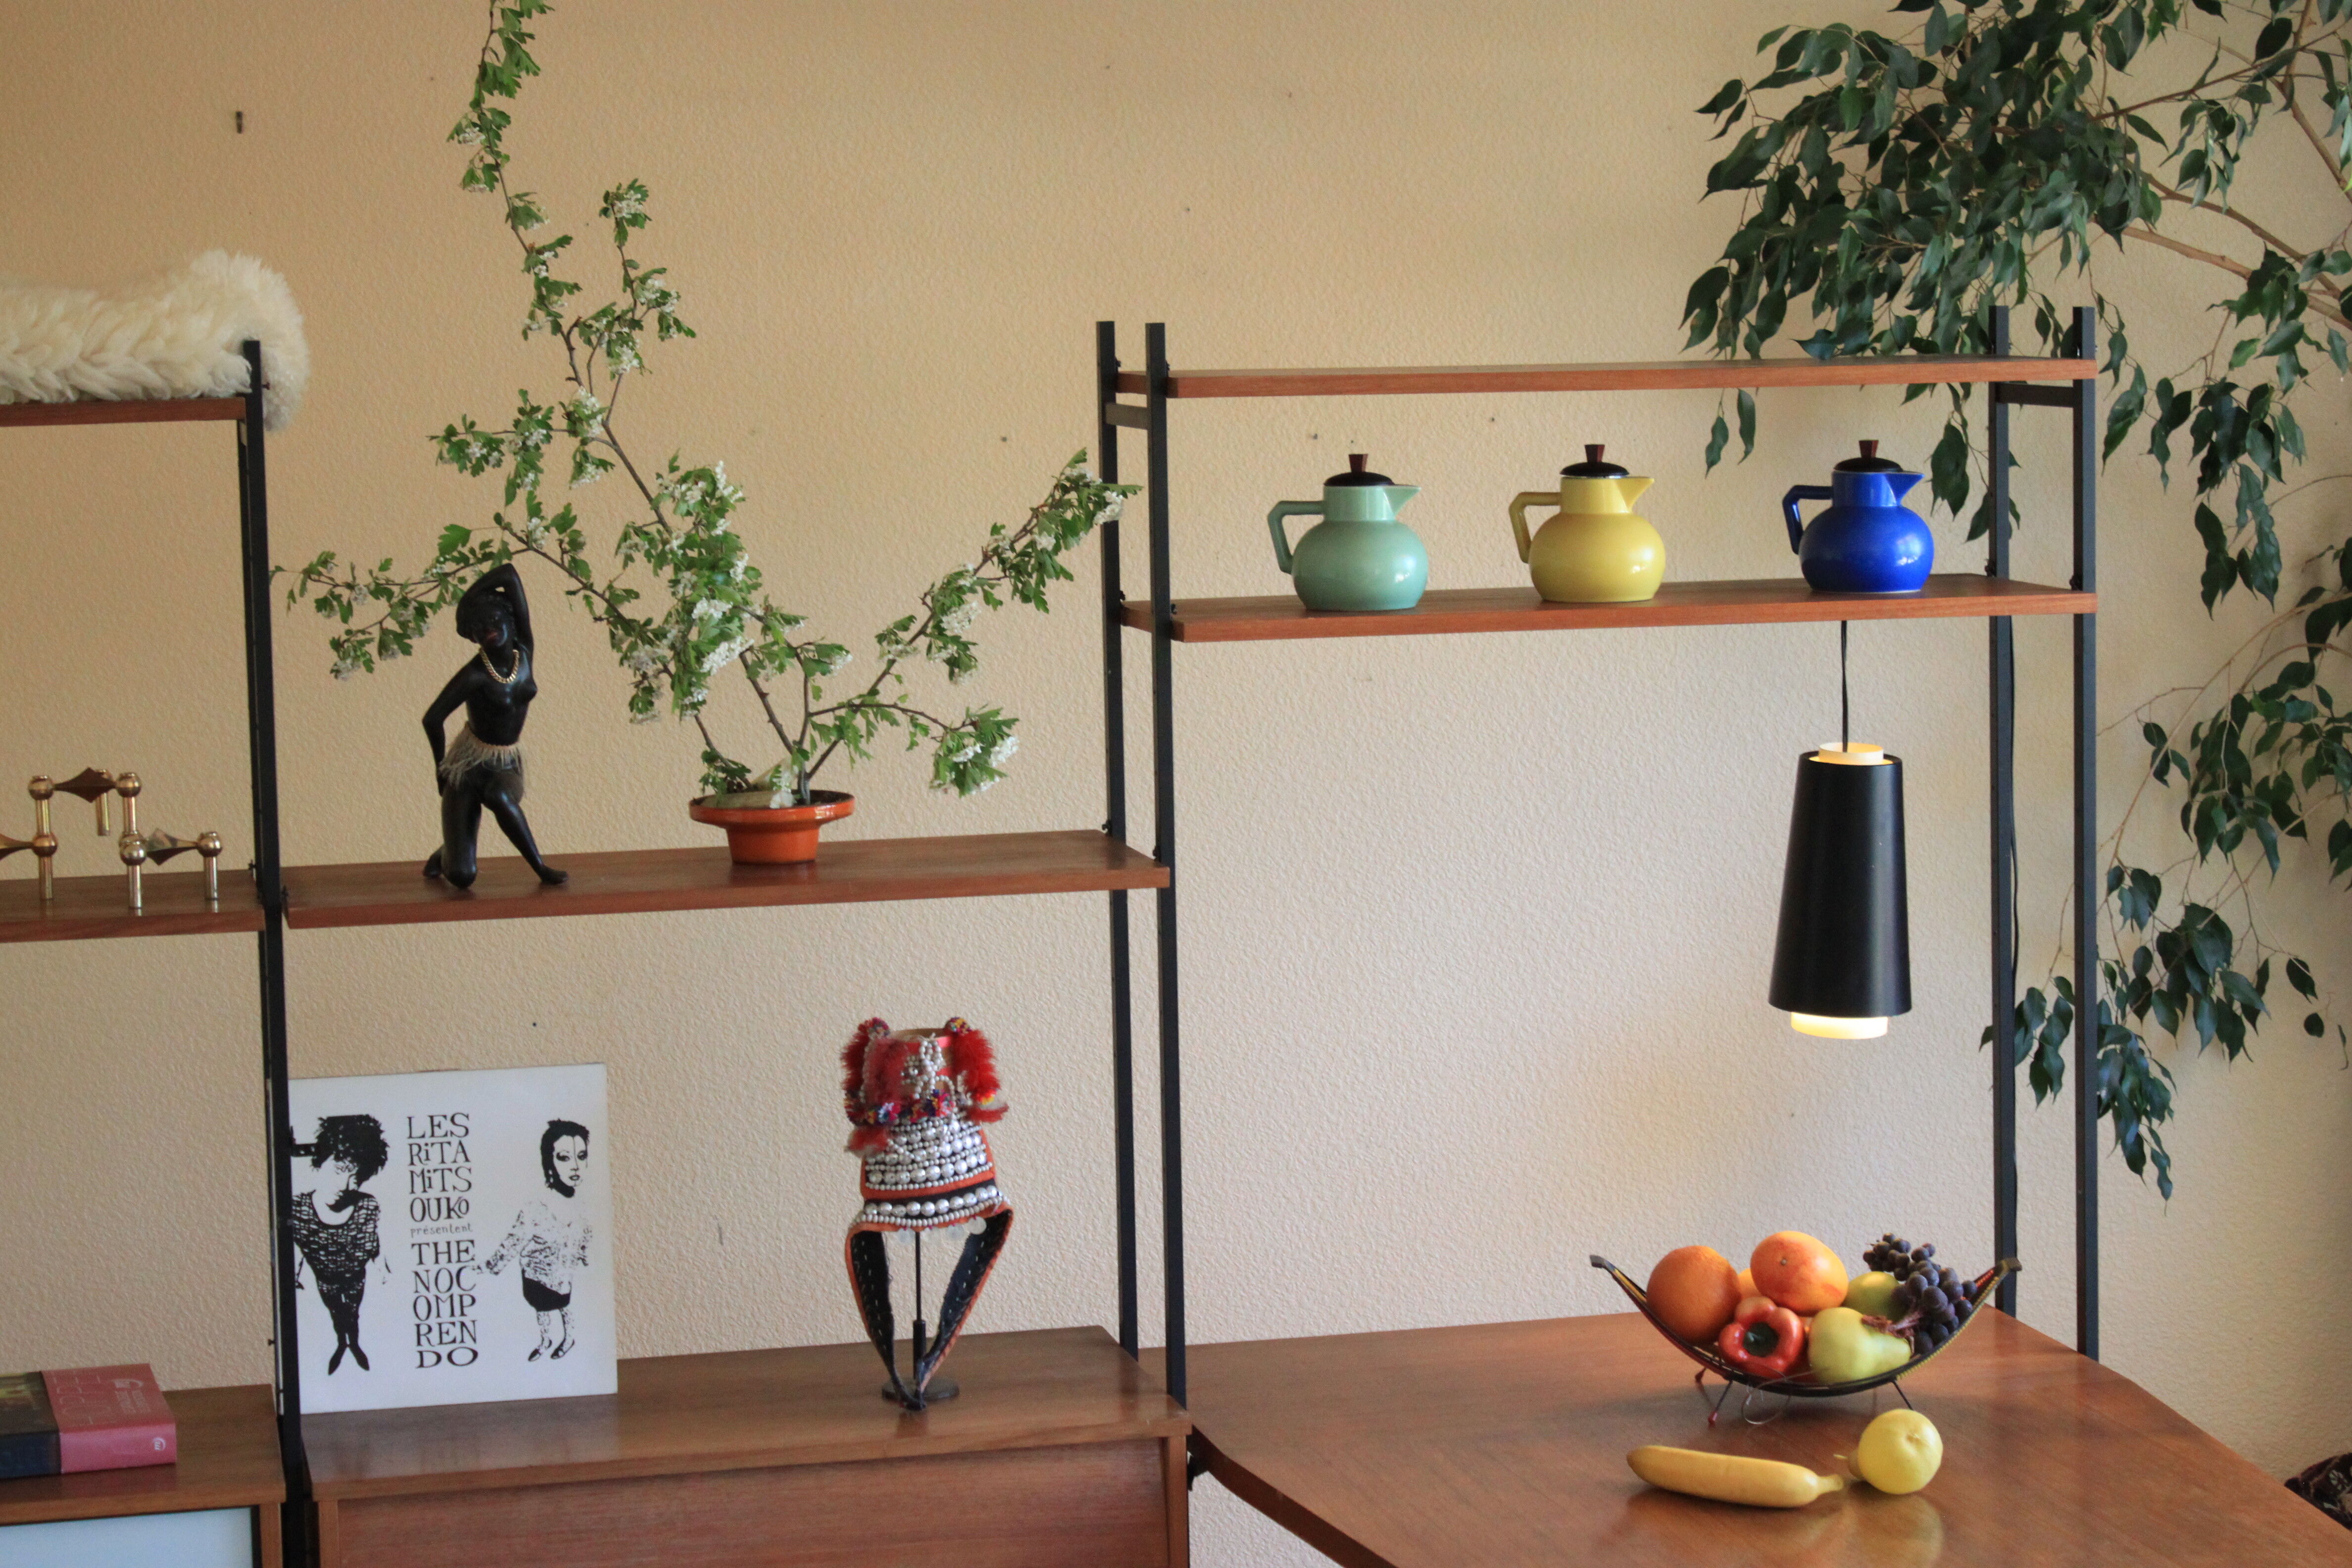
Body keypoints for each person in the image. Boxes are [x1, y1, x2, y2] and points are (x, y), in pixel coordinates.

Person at [422, 562, 566, 889]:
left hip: (506, 761)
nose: (488, 629)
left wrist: (467, 603)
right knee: (462, 876)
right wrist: (441, 767)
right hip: (467, 765)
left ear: (510, 620)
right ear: (472, 636)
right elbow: (433, 718)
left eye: (494, 620)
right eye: (478, 627)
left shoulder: (524, 652)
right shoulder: (475, 674)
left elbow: (509, 573)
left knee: (501, 796)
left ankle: (540, 867)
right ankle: (446, 853)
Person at [289, 1115, 392, 1374]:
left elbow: (372, 1241)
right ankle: (341, 1344)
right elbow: (296, 1245)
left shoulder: (368, 1206)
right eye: (340, 1171)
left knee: (353, 1313)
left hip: (356, 1277)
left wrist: (382, 1268)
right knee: (337, 1313)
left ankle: (354, 1344)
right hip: (324, 1279)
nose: (347, 1185)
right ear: (320, 1164)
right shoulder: (297, 1207)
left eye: (357, 1177)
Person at [483, 1119, 593, 1361]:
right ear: (550, 1164)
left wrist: (585, 1254)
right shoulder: (537, 1206)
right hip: (537, 1274)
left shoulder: (584, 1205)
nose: (576, 1166)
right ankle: (546, 1340)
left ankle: (569, 1338)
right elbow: (515, 1239)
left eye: (582, 1156)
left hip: (564, 1272)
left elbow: (586, 1234)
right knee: (542, 1309)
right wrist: (490, 1267)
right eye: (565, 1158)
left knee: (565, 1306)